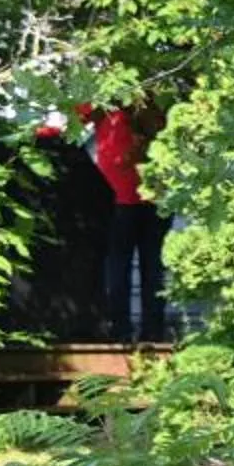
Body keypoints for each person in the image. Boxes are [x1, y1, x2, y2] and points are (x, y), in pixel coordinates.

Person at [84, 100, 169, 342]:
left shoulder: (106, 99)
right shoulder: (158, 95)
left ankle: (119, 332)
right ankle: (153, 333)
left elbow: (75, 115)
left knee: (118, 265)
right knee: (153, 267)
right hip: (155, 195)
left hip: (118, 195)